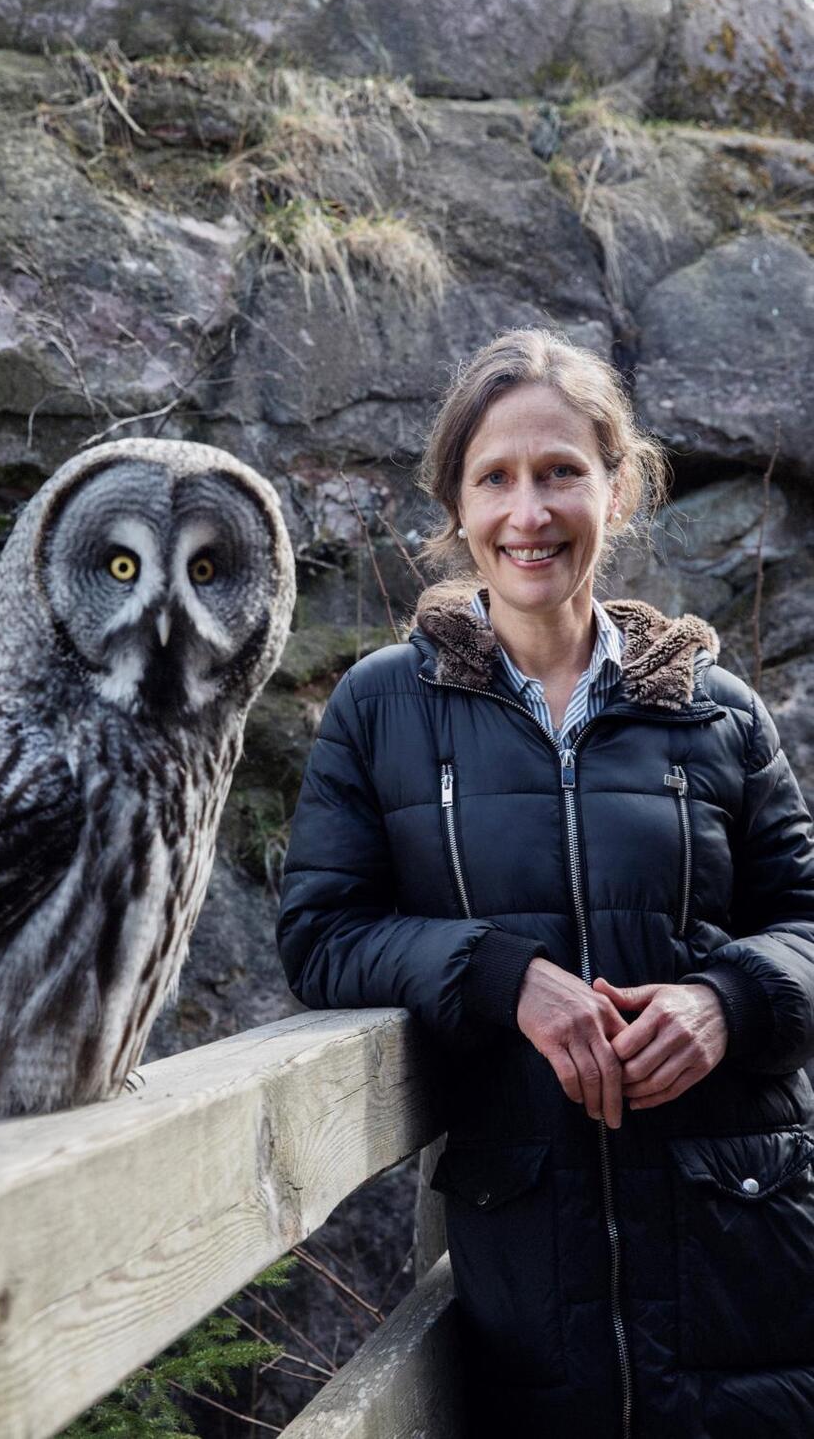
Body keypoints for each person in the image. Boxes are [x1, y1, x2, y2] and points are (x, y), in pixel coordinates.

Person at [276, 329, 814, 1438]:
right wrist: (500, 973)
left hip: (745, 1260)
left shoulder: (714, 709)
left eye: (561, 472)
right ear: (458, 506)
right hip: (530, 1274)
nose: (530, 512)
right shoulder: (382, 709)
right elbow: (322, 936)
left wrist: (726, 1001)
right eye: (497, 479)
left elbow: (805, 918)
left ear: (615, 491)